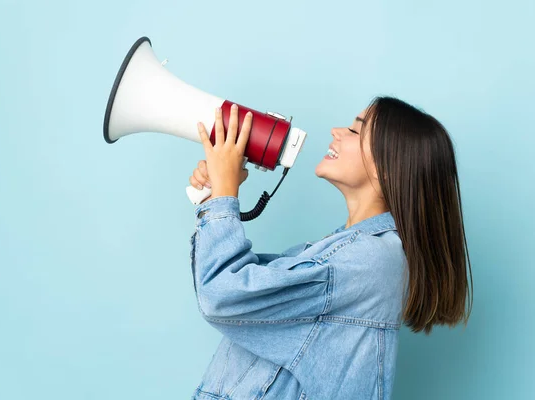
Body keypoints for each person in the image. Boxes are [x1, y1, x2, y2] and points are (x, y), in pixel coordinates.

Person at [187, 97, 473, 400]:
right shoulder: (354, 249)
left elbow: (221, 294)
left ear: (387, 168)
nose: (337, 131)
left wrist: (223, 201)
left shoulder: (368, 259)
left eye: (354, 131)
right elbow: (251, 289)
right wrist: (214, 198)